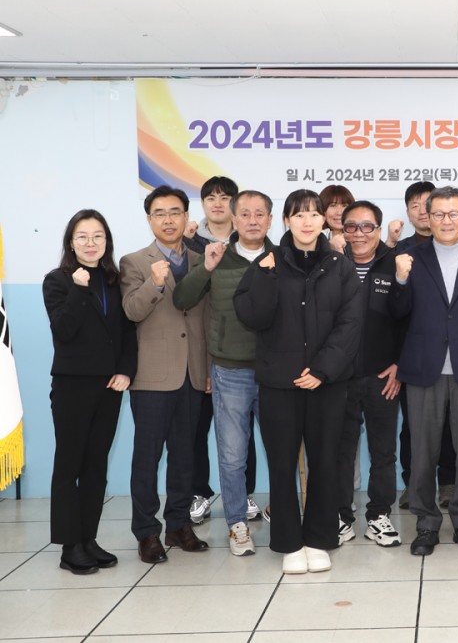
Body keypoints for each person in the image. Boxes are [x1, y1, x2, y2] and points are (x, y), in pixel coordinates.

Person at [234, 189, 363, 574]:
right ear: (286, 221)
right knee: (282, 464)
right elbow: (252, 316)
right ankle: (289, 542)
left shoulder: (340, 266)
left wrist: (322, 369)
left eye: (314, 214)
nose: (307, 222)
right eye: (299, 215)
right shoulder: (268, 262)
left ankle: (319, 540)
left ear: (324, 220)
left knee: (325, 463)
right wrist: (265, 275)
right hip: (280, 383)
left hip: (327, 383)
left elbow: (351, 323)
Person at [389, 186, 458, 556]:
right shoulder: (410, 257)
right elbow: (396, 313)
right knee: (422, 451)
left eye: (454, 214)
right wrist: (400, 280)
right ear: (427, 217)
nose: (446, 220)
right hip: (424, 368)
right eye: (438, 214)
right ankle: (426, 524)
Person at [172, 190, 276, 557]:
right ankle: (237, 524)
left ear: (270, 220)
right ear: (234, 219)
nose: (252, 220)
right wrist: (206, 268)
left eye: (259, 214)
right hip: (230, 371)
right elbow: (182, 299)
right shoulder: (215, 256)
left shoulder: (282, 258)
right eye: (245, 213)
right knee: (232, 455)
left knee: (281, 451)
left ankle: (284, 514)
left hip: (275, 373)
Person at [43, 210, 137, 574]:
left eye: (98, 236)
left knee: (96, 465)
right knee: (70, 465)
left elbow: (127, 332)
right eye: (82, 236)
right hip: (72, 386)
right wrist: (79, 290)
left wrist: (126, 370)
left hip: (109, 387)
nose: (90, 243)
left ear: (106, 241)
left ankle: (88, 538)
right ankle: (70, 547)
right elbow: (63, 330)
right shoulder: (57, 281)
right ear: (71, 242)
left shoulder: (113, 280)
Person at [120, 185, 211, 564]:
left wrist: (208, 369)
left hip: (193, 373)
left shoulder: (203, 260)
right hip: (152, 377)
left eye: (175, 212)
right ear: (149, 219)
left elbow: (208, 320)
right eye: (160, 213)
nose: (168, 220)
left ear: (187, 217)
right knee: (147, 457)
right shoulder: (134, 262)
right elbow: (131, 311)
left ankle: (178, 524)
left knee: (185, 456)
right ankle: (146, 532)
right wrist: (154, 283)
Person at [335, 200, 405, 548]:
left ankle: (379, 515)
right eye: (352, 226)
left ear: (379, 230)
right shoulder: (332, 264)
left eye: (367, 227)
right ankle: (339, 516)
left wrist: (400, 364)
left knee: (383, 451)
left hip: (382, 376)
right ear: (342, 230)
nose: (359, 234)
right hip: (339, 377)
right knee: (340, 451)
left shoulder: (396, 265)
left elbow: (411, 319)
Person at [394, 181, 458, 510]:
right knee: (413, 428)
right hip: (414, 357)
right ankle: (413, 485)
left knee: (450, 427)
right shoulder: (400, 252)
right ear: (409, 213)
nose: (423, 211)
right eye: (415, 205)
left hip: (454, 356)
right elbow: (394, 309)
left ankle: (448, 483)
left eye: (427, 203)